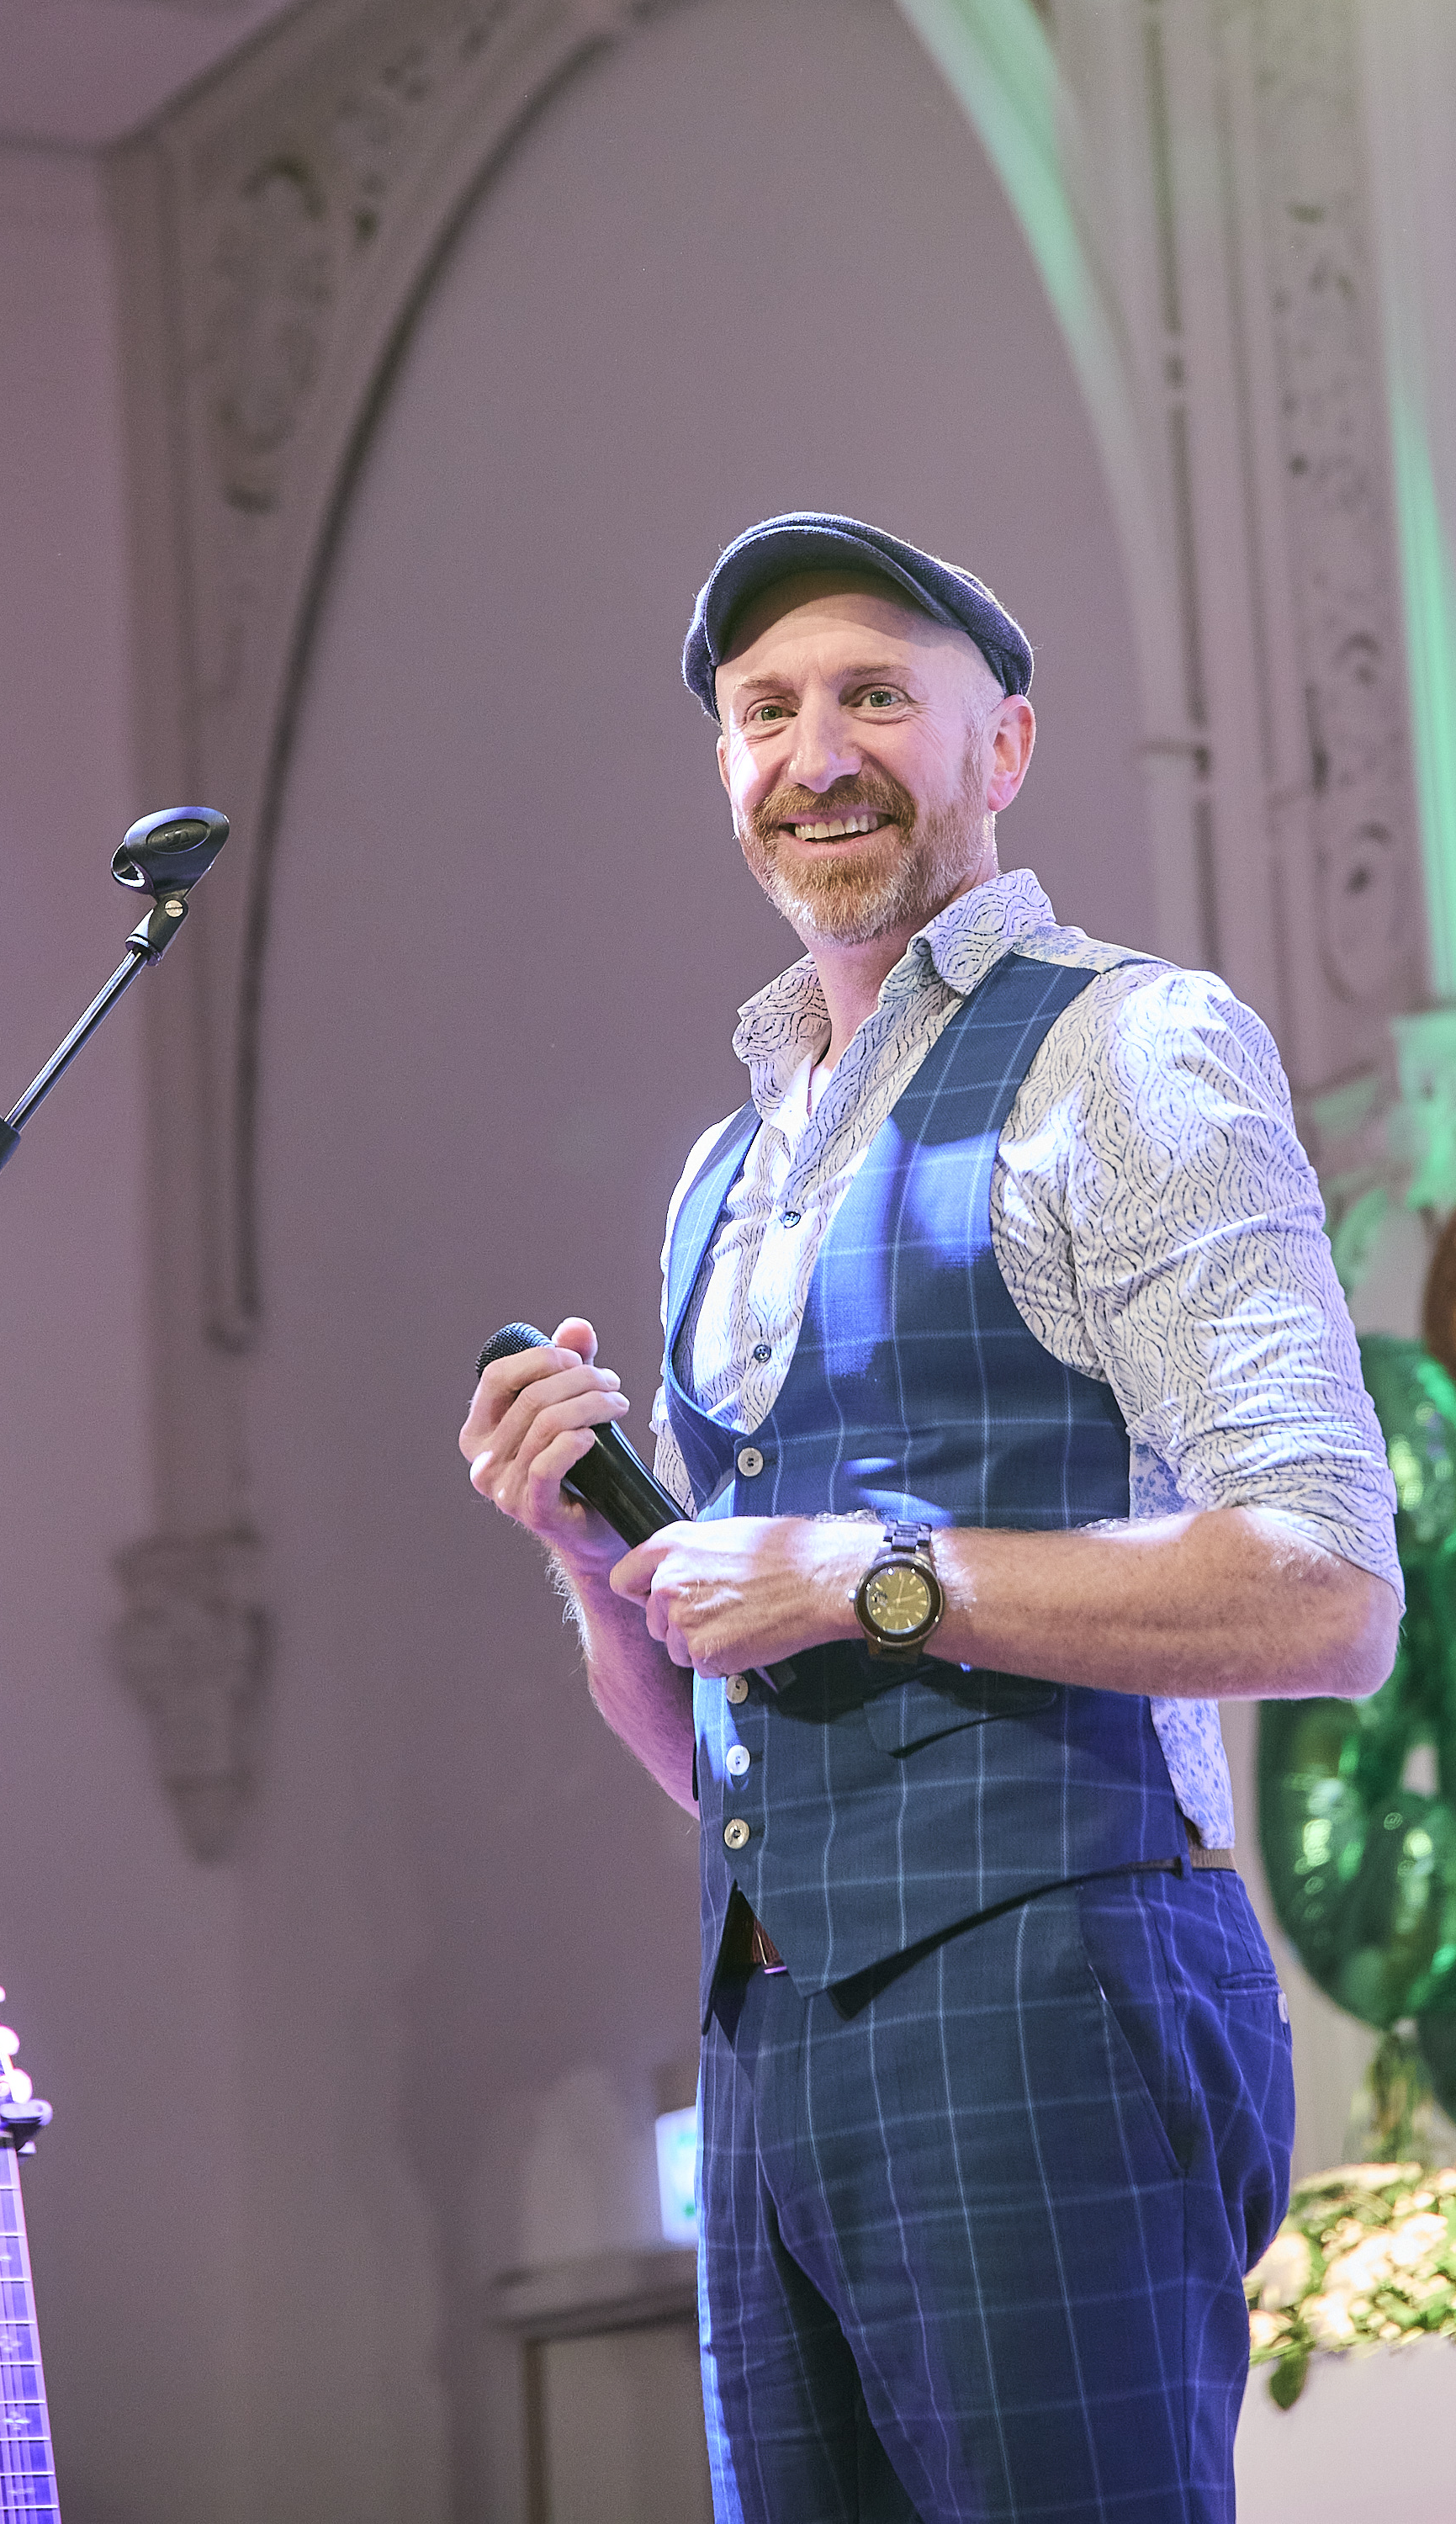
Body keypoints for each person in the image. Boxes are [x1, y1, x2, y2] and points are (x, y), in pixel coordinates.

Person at [459, 512, 1402, 2524]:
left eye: (874, 696)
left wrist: (866, 1573)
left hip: (1055, 1996)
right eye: (764, 712)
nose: (814, 755)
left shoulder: (1129, 1048)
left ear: (1005, 746)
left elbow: (1325, 1585)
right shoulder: (721, 1172)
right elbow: (716, 1743)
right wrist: (594, 1561)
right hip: (771, 2041)